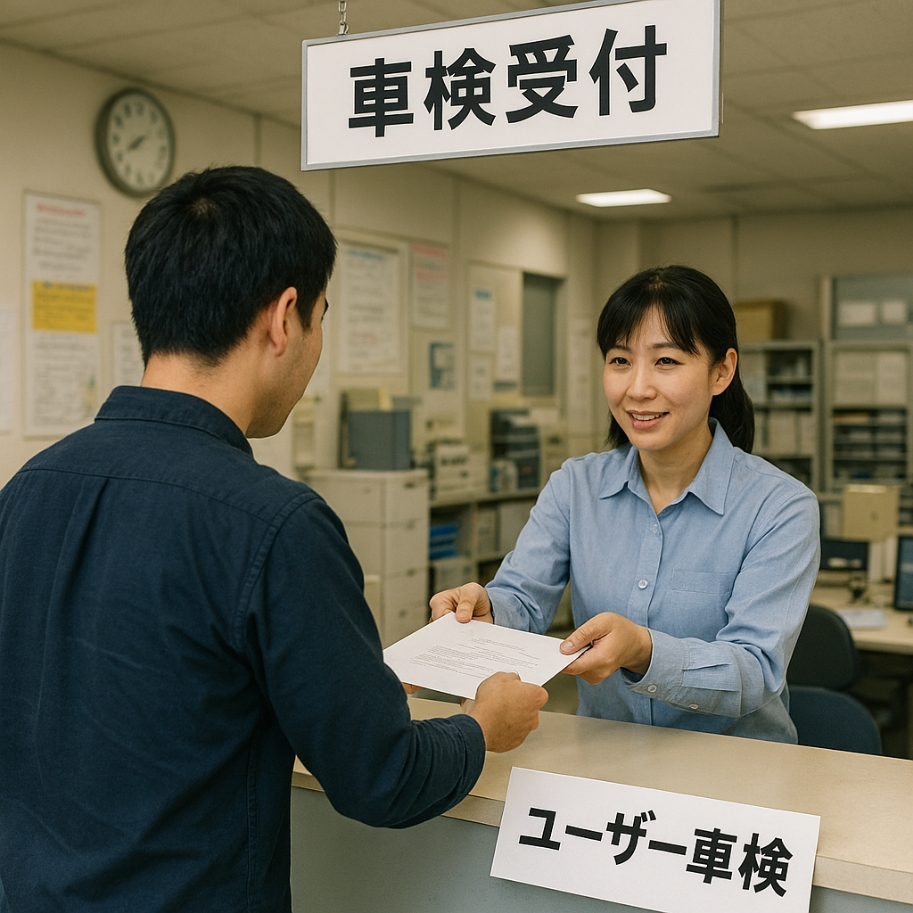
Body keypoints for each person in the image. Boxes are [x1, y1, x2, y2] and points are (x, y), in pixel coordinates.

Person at [0, 166, 547, 913]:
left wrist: (335, 681)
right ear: (284, 317)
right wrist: (483, 725)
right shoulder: (274, 522)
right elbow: (379, 774)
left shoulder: (28, 487)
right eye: (322, 317)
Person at [431, 265, 820, 743]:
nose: (637, 388)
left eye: (667, 362)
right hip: (603, 763)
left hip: (735, 775)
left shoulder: (779, 506)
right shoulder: (575, 485)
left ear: (722, 371)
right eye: (620, 360)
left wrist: (645, 650)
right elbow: (524, 599)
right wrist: (487, 609)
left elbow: (755, 668)